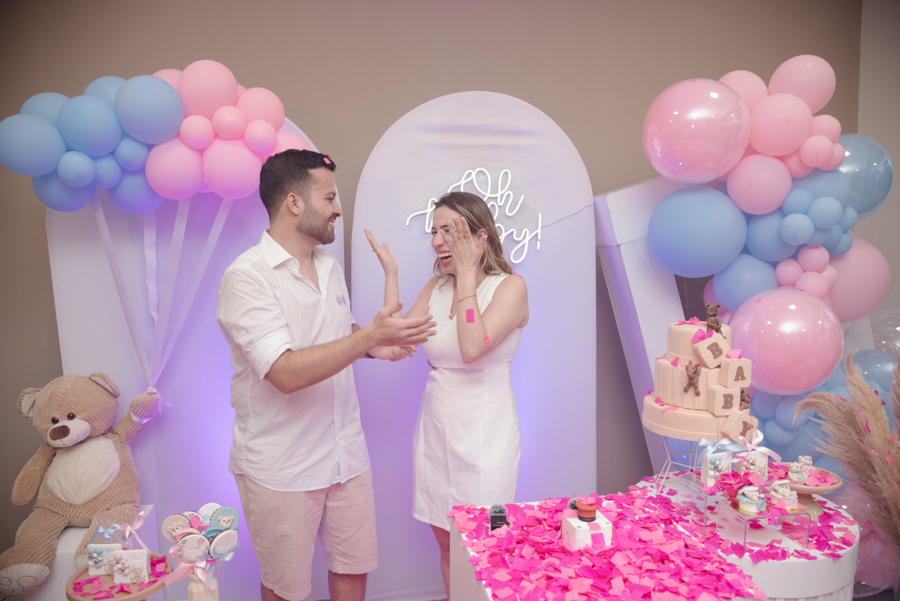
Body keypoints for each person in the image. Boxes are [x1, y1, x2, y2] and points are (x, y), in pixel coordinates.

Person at [217, 149, 436, 601]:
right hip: (282, 469)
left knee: (354, 570)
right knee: (285, 589)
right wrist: (367, 337)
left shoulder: (328, 266)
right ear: (295, 203)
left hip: (346, 457)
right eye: (330, 197)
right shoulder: (247, 277)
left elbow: (338, 336)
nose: (339, 209)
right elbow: (285, 372)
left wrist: (376, 345)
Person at [365, 191, 528, 598]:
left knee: (488, 545)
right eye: (434, 231)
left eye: (449, 231)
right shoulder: (436, 288)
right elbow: (393, 345)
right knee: (446, 542)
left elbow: (472, 348)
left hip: (487, 438)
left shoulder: (511, 287)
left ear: (479, 237)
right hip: (438, 434)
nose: (438, 241)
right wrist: (391, 276)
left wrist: (468, 276)